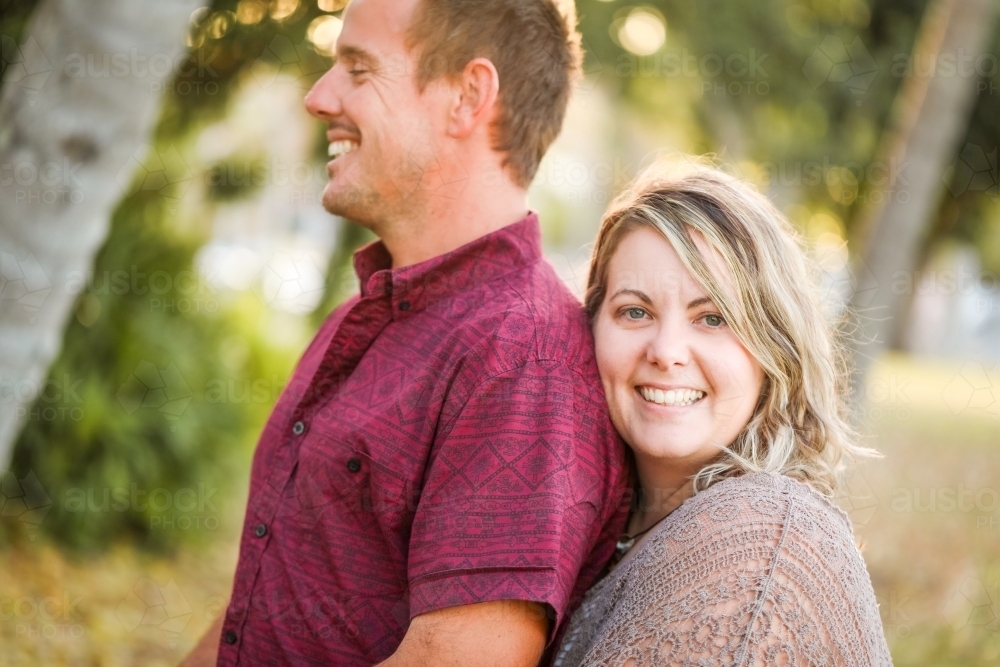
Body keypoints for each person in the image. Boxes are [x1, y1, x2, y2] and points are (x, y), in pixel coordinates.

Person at [181, 0, 629, 665]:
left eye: (358, 70)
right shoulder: (366, 317)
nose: (318, 96)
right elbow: (262, 599)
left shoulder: (524, 358)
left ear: (467, 96)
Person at [554, 161, 894, 666]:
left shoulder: (762, 543)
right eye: (635, 311)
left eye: (712, 318)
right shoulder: (597, 520)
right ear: (593, 325)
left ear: (774, 348)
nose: (666, 351)